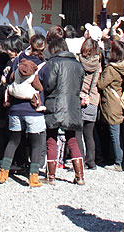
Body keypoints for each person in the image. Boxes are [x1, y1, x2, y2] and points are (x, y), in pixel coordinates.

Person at [0, 34, 48, 187]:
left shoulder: (18, 60)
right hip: (34, 109)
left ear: (30, 45)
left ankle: (3, 173)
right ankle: (33, 177)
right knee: (36, 142)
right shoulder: (43, 64)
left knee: (13, 141)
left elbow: (10, 79)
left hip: (15, 107)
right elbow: (46, 84)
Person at [39, 29, 86, 185]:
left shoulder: (53, 63)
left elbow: (49, 84)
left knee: (51, 139)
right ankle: (80, 176)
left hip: (55, 103)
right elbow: (79, 85)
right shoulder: (78, 64)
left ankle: (51, 176)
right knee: (72, 139)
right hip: (72, 104)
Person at [97, 40, 124, 171]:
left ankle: (118, 162)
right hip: (123, 103)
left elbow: (101, 84)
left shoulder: (111, 69)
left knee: (115, 134)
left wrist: (99, 74)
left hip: (112, 103)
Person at [78, 38, 101, 170]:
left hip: (80, 97)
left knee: (77, 133)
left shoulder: (78, 60)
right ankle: (91, 161)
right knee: (89, 133)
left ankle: (79, 160)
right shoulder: (98, 63)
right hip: (92, 98)